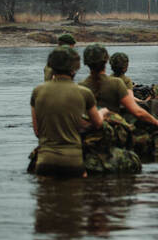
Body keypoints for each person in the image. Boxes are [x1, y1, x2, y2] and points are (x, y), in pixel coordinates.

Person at [30, 46, 103, 177]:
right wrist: (103, 113)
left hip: (45, 161)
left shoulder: (37, 91)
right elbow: (97, 124)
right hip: (73, 161)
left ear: (51, 65)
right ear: (75, 68)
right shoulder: (84, 92)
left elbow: (37, 132)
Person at [80, 44, 158, 131]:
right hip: (113, 128)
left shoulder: (81, 86)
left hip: (92, 128)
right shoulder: (116, 83)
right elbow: (137, 112)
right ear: (106, 60)